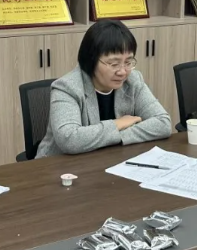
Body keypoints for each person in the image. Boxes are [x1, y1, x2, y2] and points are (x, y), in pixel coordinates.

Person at [36, 19, 171, 156]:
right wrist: (118, 124)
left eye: (128, 62)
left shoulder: (133, 80)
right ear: (91, 60)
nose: (123, 72)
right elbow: (69, 139)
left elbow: (163, 123)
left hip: (109, 159)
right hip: (59, 165)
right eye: (114, 64)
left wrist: (118, 135)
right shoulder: (67, 87)